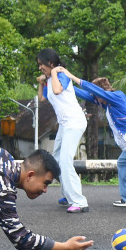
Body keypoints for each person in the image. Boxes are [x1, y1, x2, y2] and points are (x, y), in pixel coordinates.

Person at [60, 69, 126, 215]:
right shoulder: (106, 103)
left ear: (101, 92)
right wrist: (62, 82)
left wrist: (72, 76)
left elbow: (94, 92)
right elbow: (83, 93)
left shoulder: (117, 96)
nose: (95, 99)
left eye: (96, 96)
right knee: (123, 165)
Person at [36, 48, 89, 213]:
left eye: (41, 64)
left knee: (65, 161)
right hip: (64, 124)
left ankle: (79, 201)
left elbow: (58, 90)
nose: (40, 68)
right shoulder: (50, 79)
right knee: (57, 160)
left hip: (74, 122)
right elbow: (42, 98)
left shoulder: (62, 75)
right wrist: (42, 82)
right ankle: (67, 194)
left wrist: (53, 72)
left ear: (51, 63)